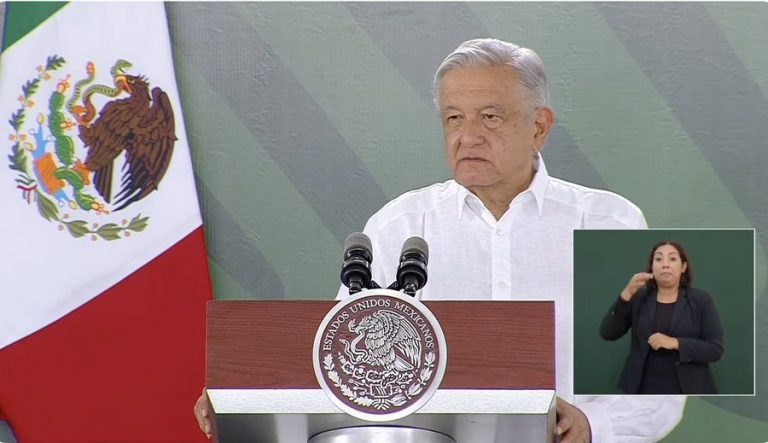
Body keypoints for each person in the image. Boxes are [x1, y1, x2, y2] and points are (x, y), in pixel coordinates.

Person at [195, 38, 686, 442]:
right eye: (453, 118)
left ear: (539, 126)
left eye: (489, 116)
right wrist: (242, 400)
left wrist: (590, 425)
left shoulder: (610, 223)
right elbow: (341, 368)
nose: (467, 136)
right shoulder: (397, 225)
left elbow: (662, 379)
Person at [600, 240, 724, 394]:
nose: (665, 264)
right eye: (658, 259)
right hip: (642, 389)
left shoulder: (701, 300)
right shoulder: (638, 298)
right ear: (652, 266)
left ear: (683, 267)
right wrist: (626, 294)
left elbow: (715, 350)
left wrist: (675, 343)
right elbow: (608, 333)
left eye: (672, 259)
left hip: (688, 390)